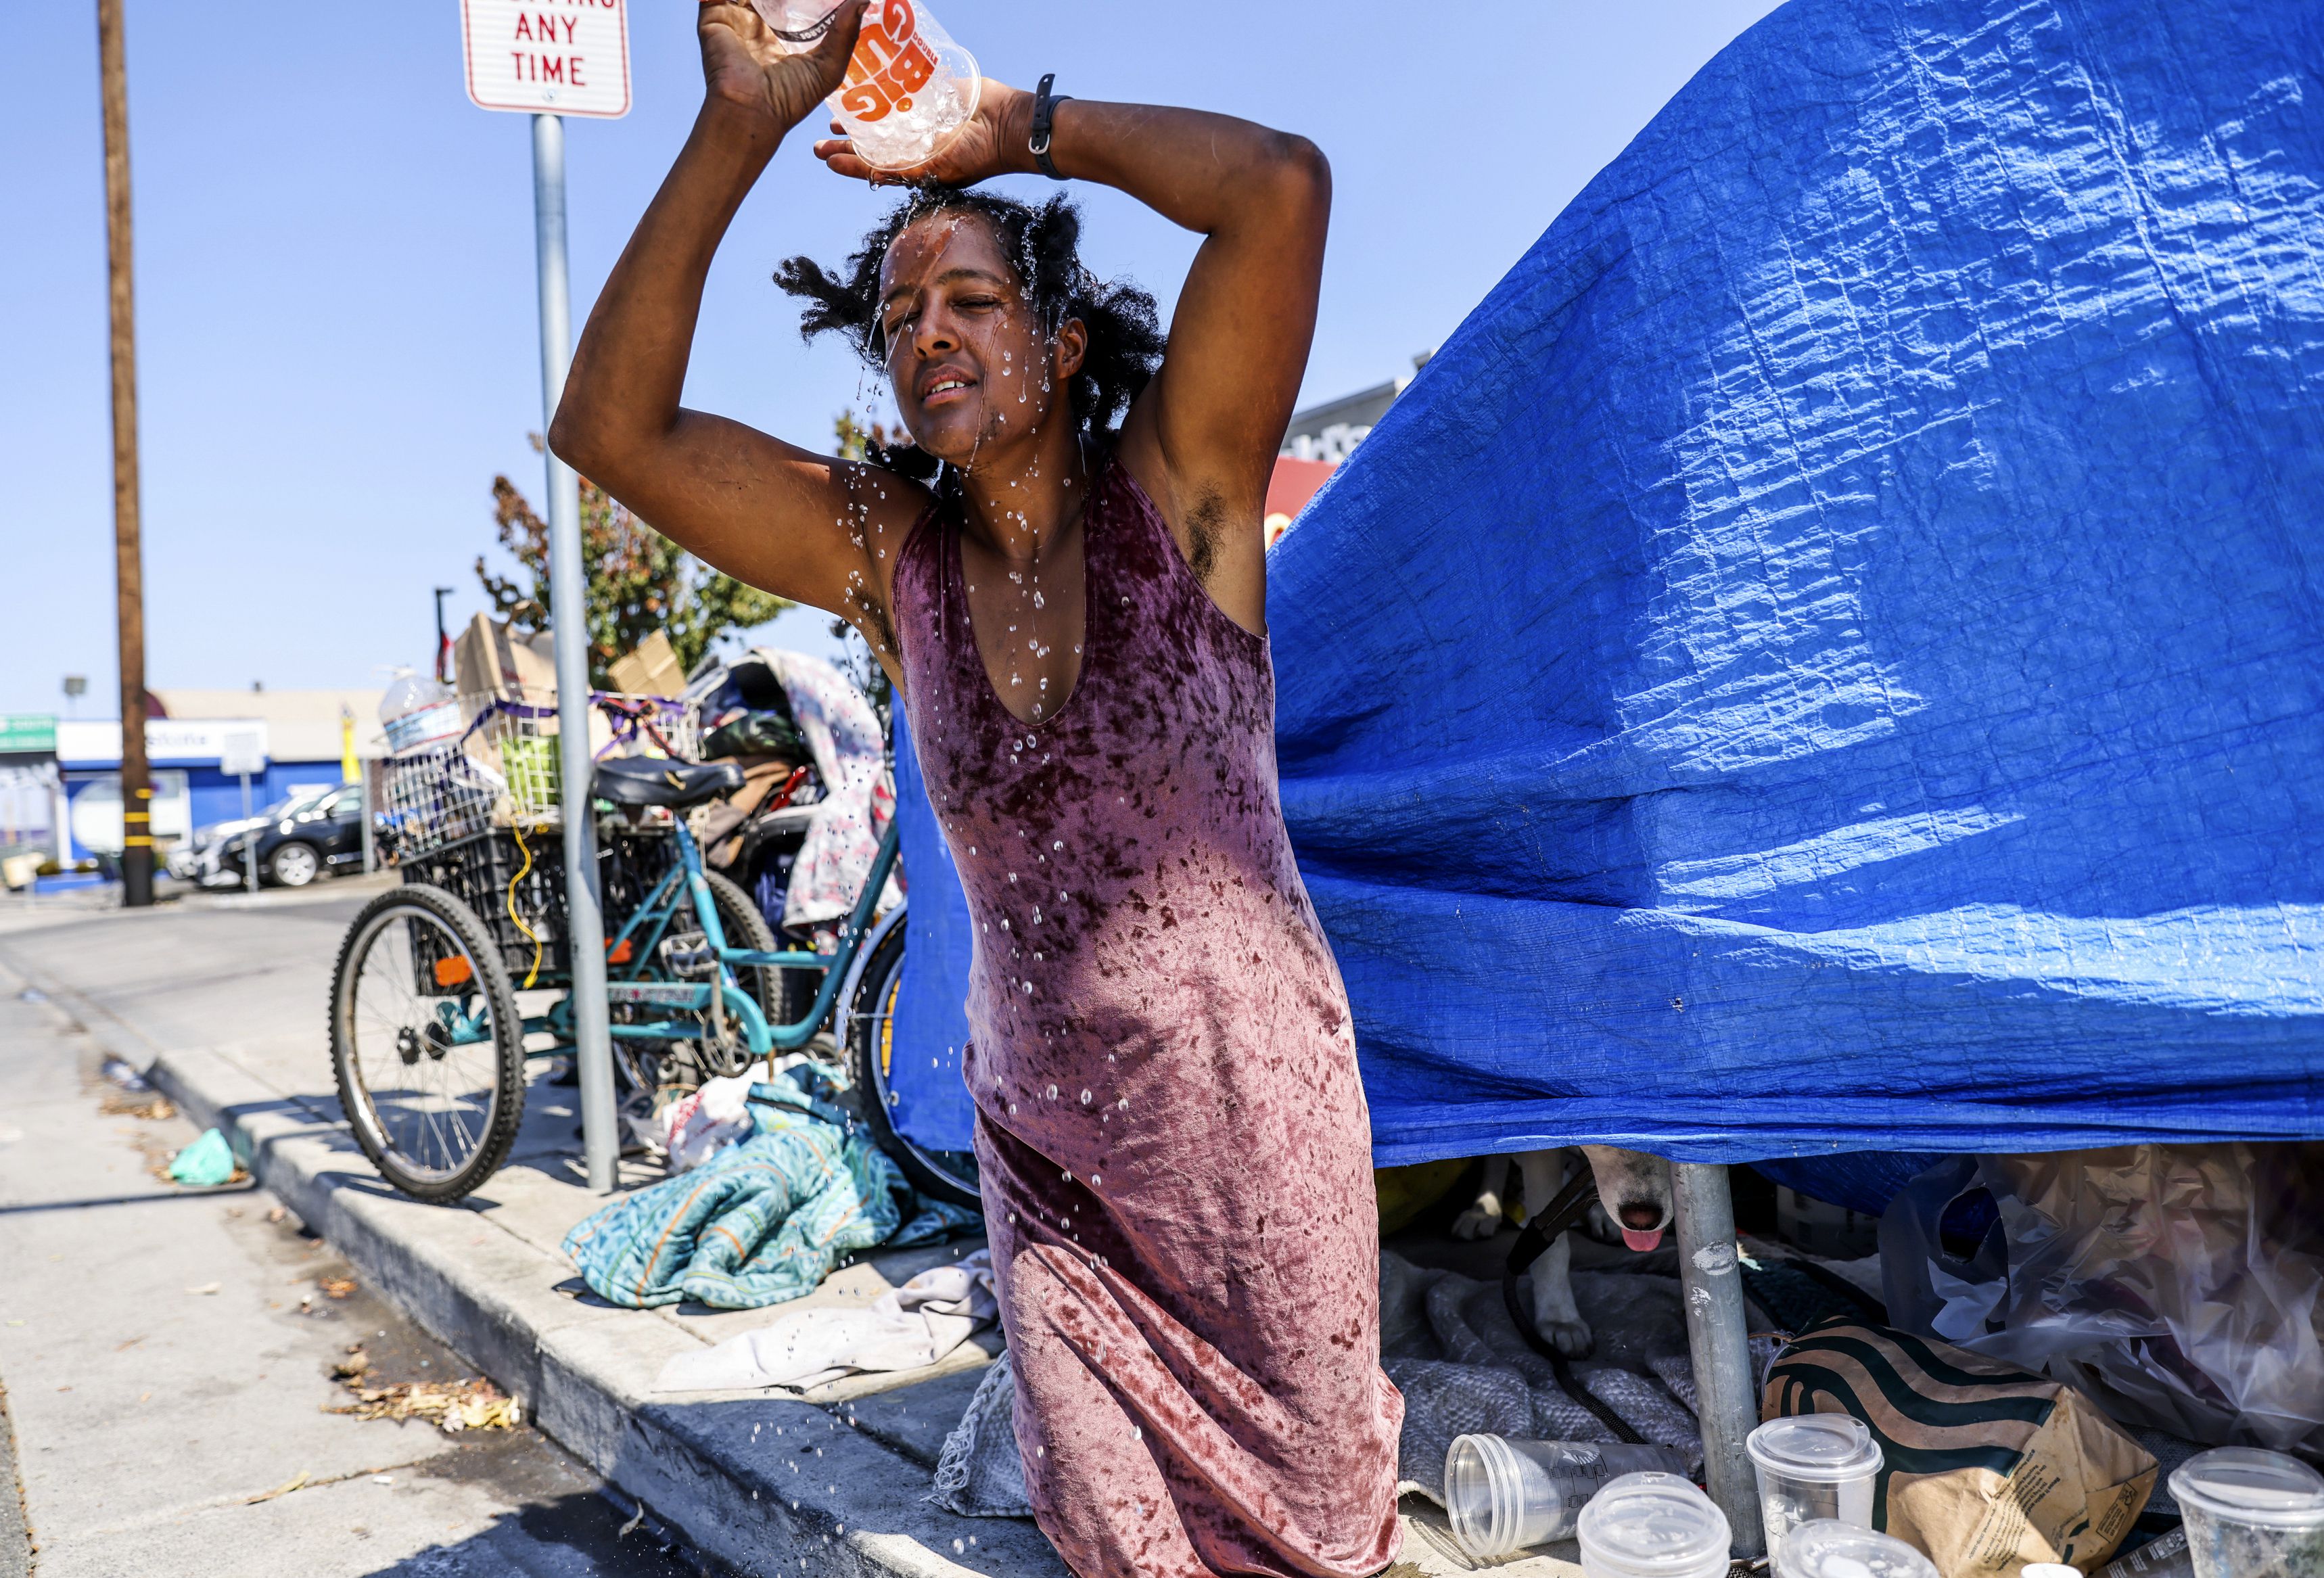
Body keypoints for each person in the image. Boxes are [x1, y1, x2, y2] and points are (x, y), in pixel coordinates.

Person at [551, 5, 1403, 1574]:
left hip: (1253, 1151)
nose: (926, 331)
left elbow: (1280, 186)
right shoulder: (894, 556)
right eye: (898, 318)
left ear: (1060, 340)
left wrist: (1003, 127)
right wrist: (741, 121)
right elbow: (609, 427)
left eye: (969, 299)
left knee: (1317, 1548)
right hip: (1058, 1187)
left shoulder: (1183, 489)